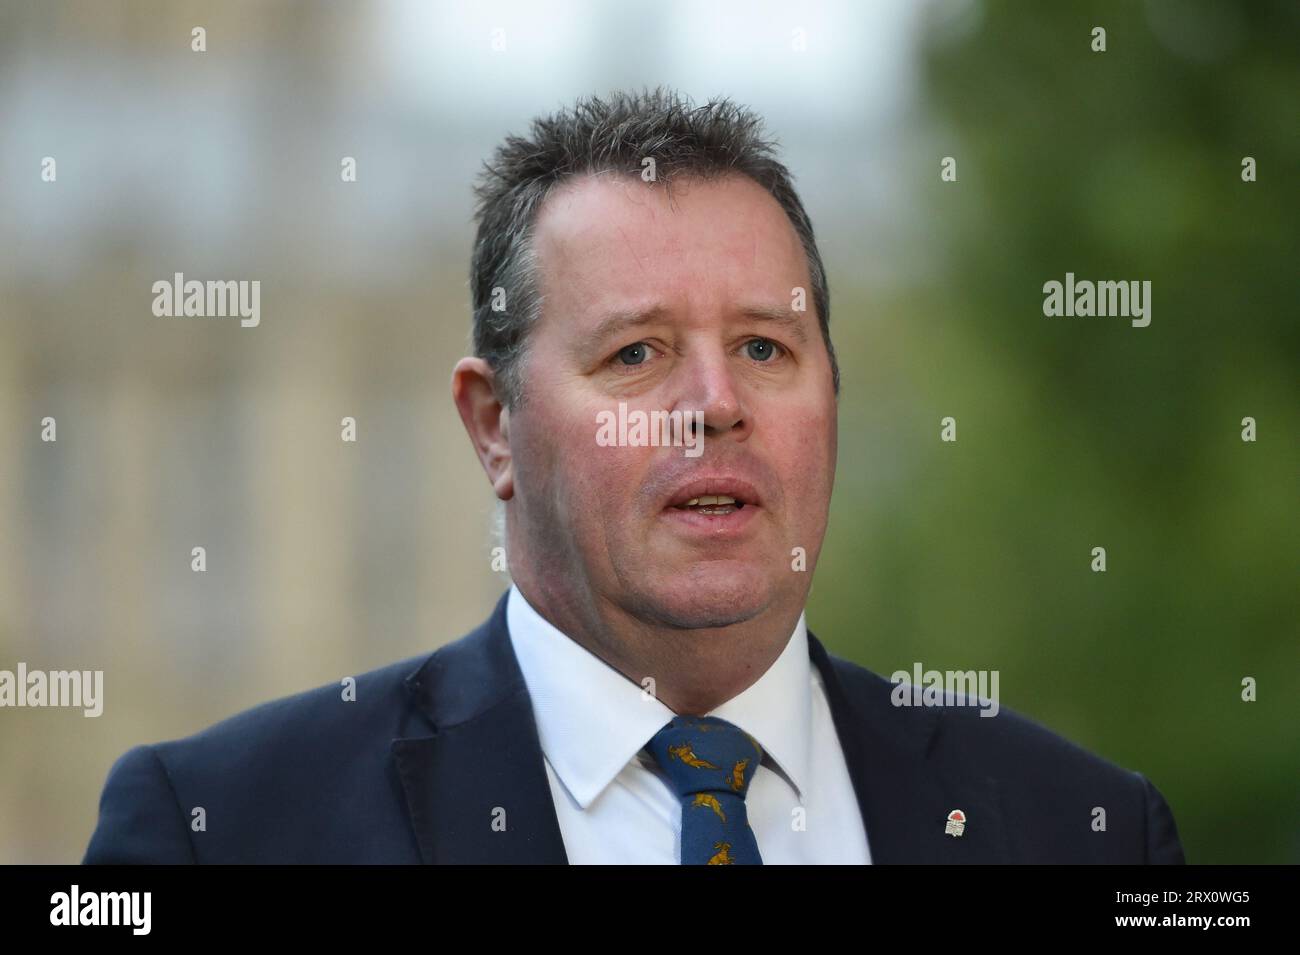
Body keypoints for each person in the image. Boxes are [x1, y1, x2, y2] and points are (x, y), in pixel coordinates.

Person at [83, 87, 1185, 864]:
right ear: (494, 426)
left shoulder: (1083, 827)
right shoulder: (218, 828)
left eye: (764, 347)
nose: (716, 401)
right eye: (636, 353)